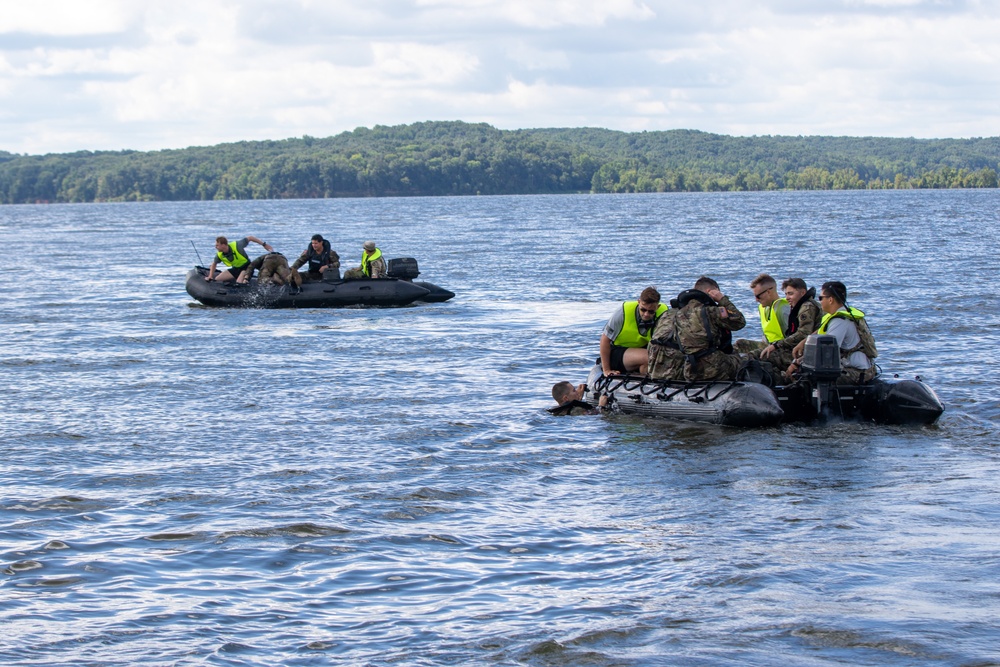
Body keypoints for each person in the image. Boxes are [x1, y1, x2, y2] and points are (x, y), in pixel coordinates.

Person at [647, 276, 746, 382]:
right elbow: (739, 321)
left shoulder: (670, 312)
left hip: (655, 368)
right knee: (745, 359)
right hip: (691, 369)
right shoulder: (709, 311)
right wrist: (722, 299)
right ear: (711, 292)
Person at [788, 281, 877, 384]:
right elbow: (822, 333)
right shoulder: (838, 316)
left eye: (821, 298)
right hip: (851, 367)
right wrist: (804, 342)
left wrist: (796, 364)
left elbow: (826, 352)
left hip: (858, 372)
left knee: (808, 377)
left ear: (830, 299)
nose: (819, 301)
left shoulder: (840, 321)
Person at [599, 286, 668, 376]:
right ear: (638, 302)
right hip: (618, 351)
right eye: (643, 310)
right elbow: (605, 340)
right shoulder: (623, 312)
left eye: (651, 311)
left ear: (657, 307)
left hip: (642, 350)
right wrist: (606, 370)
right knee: (651, 357)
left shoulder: (664, 313)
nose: (646, 314)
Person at [735, 273, 789, 355]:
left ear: (768, 292)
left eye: (758, 296)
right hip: (768, 345)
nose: (756, 300)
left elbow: (794, 338)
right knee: (739, 344)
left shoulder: (783, 309)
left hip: (782, 350)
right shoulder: (763, 308)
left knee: (752, 356)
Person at [206, 235, 272, 282]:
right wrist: (210, 276)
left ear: (223, 245)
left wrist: (264, 244)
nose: (215, 247)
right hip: (236, 269)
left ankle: (243, 281)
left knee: (239, 283)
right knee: (217, 279)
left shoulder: (237, 245)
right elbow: (214, 264)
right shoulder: (219, 254)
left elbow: (250, 238)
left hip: (246, 267)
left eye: (217, 245)